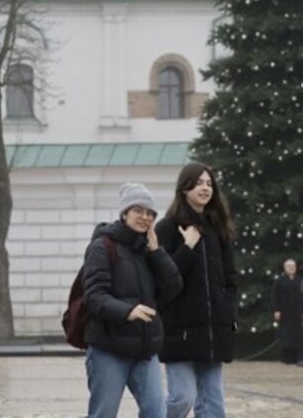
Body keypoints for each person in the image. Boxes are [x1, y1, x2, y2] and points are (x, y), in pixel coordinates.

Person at [82, 183, 182, 418]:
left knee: (156, 413)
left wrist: (157, 253)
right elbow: (94, 296)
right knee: (104, 414)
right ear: (124, 213)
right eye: (138, 210)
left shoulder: (148, 250)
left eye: (150, 213)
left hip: (145, 349)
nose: (145, 217)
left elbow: (173, 288)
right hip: (109, 348)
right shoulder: (102, 246)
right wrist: (128, 311)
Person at [155, 162, 238, 418]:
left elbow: (231, 278)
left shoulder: (218, 228)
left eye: (209, 183)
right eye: (199, 183)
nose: (205, 188)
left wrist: (230, 313)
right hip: (180, 332)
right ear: (184, 187)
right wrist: (188, 247)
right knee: (182, 398)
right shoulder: (167, 227)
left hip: (214, 331)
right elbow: (164, 280)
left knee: (213, 405)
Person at [270, 259, 303, 364]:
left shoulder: (300, 280)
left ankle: (296, 358)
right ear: (285, 268)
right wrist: (276, 310)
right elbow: (274, 296)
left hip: (297, 313)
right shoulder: (280, 281)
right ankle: (286, 358)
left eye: (293, 266)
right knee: (285, 336)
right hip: (284, 312)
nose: (291, 268)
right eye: (289, 266)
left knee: (296, 336)